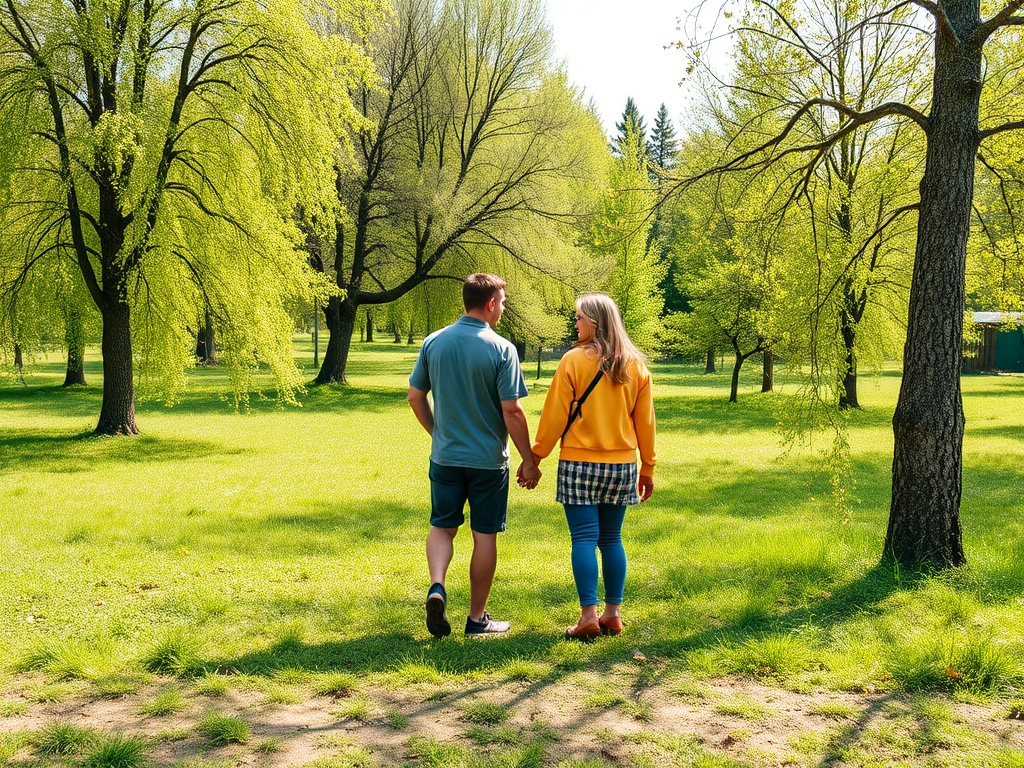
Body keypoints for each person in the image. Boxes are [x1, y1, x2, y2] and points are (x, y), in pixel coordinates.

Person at [408, 273, 541, 639]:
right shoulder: (501, 349)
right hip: (487, 463)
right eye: (503, 301)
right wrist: (529, 460)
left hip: (446, 458)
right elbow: (512, 411)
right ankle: (477, 619)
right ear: (490, 304)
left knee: (442, 526)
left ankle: (437, 585)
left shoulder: (433, 342)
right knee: (485, 537)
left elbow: (415, 397)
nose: (504, 307)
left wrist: (437, 434)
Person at [531, 293, 656, 640]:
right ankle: (613, 614)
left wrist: (536, 456)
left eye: (580, 318)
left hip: (579, 463)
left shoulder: (572, 361)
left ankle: (588, 616)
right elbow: (645, 423)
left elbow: (555, 415)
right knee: (612, 538)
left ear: (596, 323)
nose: (576, 323)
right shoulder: (635, 365)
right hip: (621, 467)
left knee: (584, 538)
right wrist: (648, 467)